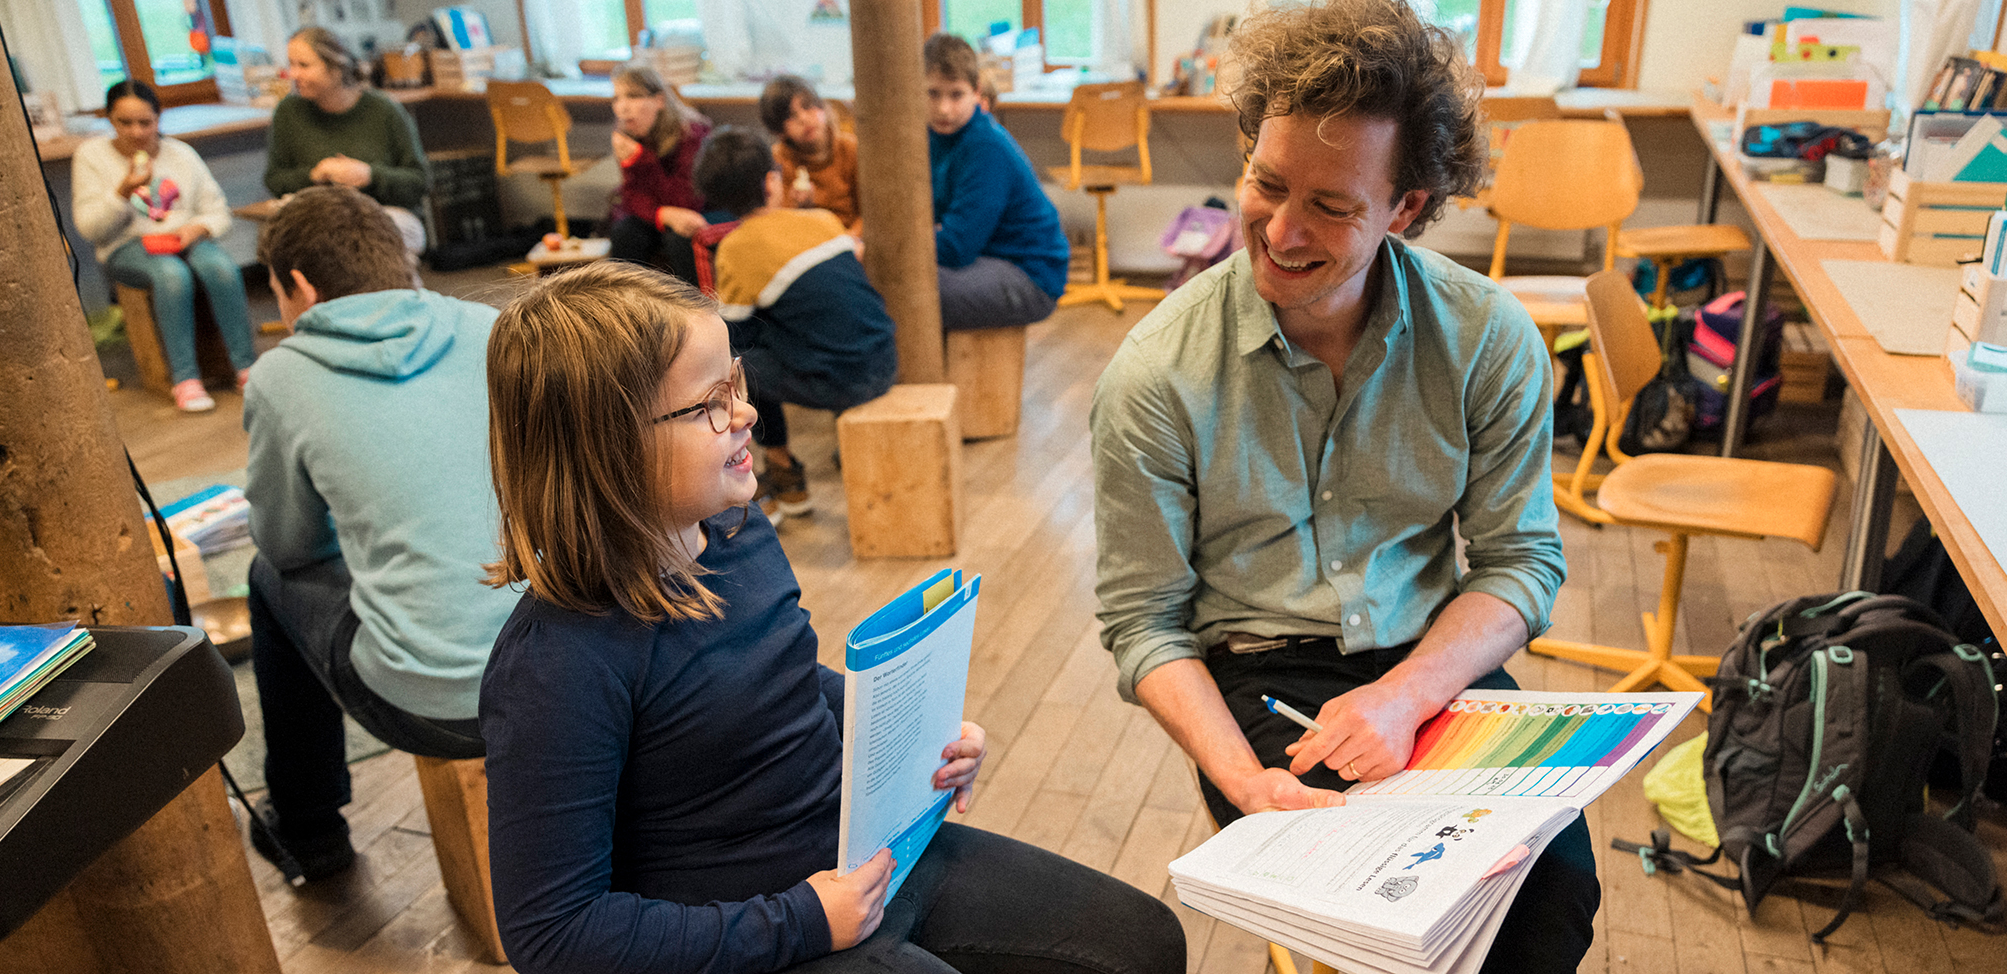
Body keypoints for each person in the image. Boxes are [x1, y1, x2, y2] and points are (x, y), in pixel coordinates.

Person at [477, 261, 1185, 974]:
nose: (747, 413)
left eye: (737, 381)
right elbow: (552, 934)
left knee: (1144, 941)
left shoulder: (734, 527)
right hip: (747, 932)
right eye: (709, 404)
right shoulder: (556, 663)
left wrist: (913, 729)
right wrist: (800, 922)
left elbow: (776, 679)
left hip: (860, 862)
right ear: (606, 447)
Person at [1088, 1, 1600, 971]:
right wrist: (1245, 785)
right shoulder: (1155, 374)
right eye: (1265, 183)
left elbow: (1519, 559)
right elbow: (1142, 621)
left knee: (1547, 888)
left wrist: (1404, 697)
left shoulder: (1485, 337)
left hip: (1429, 657)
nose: (1279, 231)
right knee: (1378, 906)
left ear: (1404, 207)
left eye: (1329, 205)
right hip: (1261, 671)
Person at [243, 185, 520, 882]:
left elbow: (289, 546)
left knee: (267, 578)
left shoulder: (280, 376)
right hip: (567, 666)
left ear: (299, 286)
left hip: (432, 706)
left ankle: (311, 832)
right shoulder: (491, 329)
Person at [692, 126, 895, 524]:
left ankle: (783, 470)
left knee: (735, 361)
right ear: (772, 180)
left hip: (841, 383)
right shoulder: (822, 220)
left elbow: (735, 335)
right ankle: (792, 472)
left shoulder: (735, 247)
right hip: (886, 359)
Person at [72, 79, 256, 413]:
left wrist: (196, 228)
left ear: (160, 118)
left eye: (146, 122)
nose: (136, 131)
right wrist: (123, 191)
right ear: (109, 120)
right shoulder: (91, 156)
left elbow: (217, 211)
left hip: (183, 239)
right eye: (124, 122)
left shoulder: (181, 154)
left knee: (222, 269)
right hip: (127, 247)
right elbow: (90, 228)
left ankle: (246, 368)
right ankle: (185, 379)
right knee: (172, 276)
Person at [922, 35, 1068, 331]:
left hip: (1030, 275)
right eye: (933, 94)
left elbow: (956, 247)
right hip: (989, 257)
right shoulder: (935, 136)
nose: (944, 109)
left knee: (912, 291)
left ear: (977, 93)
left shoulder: (984, 146)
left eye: (956, 95)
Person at [264, 26, 431, 253]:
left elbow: (420, 181)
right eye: (291, 64)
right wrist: (313, 175)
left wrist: (369, 175)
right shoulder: (288, 112)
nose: (293, 74)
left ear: (336, 68)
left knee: (359, 240)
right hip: (320, 219)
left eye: (303, 65)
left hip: (384, 214)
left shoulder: (383, 109)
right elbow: (275, 180)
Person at [610, 61, 713, 284]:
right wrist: (661, 215)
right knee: (625, 232)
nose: (623, 107)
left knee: (681, 237)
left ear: (659, 100)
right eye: (617, 98)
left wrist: (641, 161)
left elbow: (685, 200)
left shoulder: (691, 133)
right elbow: (630, 197)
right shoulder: (627, 135)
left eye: (633, 96)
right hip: (662, 213)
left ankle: (697, 313)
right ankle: (626, 312)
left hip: (704, 210)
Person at [759, 75, 860, 231]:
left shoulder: (850, 149)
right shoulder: (778, 160)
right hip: (804, 243)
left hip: (850, 240)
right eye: (791, 116)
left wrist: (848, 242)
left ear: (822, 106)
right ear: (779, 131)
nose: (804, 119)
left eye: (807, 106)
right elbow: (777, 224)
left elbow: (868, 213)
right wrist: (799, 207)